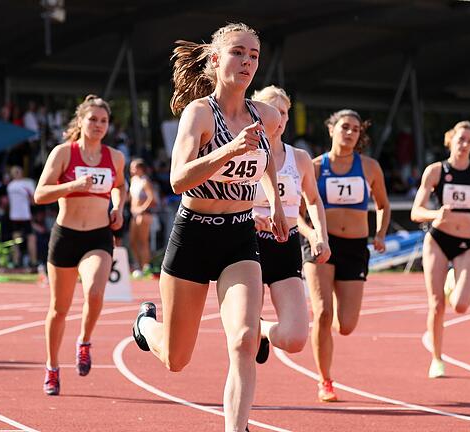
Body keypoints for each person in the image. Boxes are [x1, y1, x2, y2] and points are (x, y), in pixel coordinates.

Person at [131, 23, 288, 432]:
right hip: (194, 235)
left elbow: (268, 158)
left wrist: (274, 202)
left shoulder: (266, 115)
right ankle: (147, 326)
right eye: (238, 53)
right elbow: (178, 178)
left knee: (243, 340)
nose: (248, 62)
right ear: (216, 60)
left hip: (239, 236)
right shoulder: (199, 113)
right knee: (176, 359)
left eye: (254, 55)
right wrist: (229, 149)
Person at [34, 94, 125, 396]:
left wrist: (118, 206)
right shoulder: (63, 153)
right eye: (93, 119)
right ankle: (52, 367)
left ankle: (84, 341)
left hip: (98, 235)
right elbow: (40, 194)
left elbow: (120, 186)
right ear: (82, 121)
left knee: (95, 293)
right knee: (59, 309)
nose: (98, 125)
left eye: (103, 120)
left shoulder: (115, 157)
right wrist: (71, 186)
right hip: (66, 236)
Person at [301, 109, 390, 402]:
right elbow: (297, 214)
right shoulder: (314, 167)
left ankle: (330, 316)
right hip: (322, 245)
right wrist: (312, 234)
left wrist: (379, 234)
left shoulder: (369, 167)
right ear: (331, 130)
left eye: (355, 129)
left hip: (354, 247)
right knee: (323, 313)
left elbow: (383, 205)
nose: (350, 133)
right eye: (344, 127)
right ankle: (325, 380)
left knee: (347, 325)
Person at [411, 121, 470, 378]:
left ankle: (453, 282)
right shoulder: (436, 171)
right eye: (461, 139)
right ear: (450, 139)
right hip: (439, 240)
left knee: (461, 306)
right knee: (437, 304)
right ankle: (437, 359)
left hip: (468, 243)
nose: (465, 145)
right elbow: (415, 212)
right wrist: (434, 214)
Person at [249, 85, 330, 365]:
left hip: (287, 245)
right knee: (242, 336)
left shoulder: (300, 158)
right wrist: (249, 217)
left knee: (295, 339)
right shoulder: (242, 154)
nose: (278, 118)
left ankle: (262, 330)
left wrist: (321, 235)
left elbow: (314, 200)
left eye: (283, 112)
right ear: (256, 114)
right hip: (248, 245)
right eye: (271, 111)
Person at [128, 158, 156, 277]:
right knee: (133, 242)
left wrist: (142, 209)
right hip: (134, 214)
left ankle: (145, 267)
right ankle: (138, 265)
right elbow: (131, 197)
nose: (131, 170)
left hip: (143, 215)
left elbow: (152, 198)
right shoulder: (133, 180)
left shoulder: (145, 181)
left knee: (143, 242)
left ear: (140, 168)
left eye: (134, 167)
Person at [7, 166, 37, 269]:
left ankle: (16, 261)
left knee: (17, 240)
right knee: (30, 238)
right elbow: (33, 201)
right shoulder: (27, 184)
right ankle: (32, 261)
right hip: (24, 216)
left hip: (15, 216)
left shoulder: (10, 186)